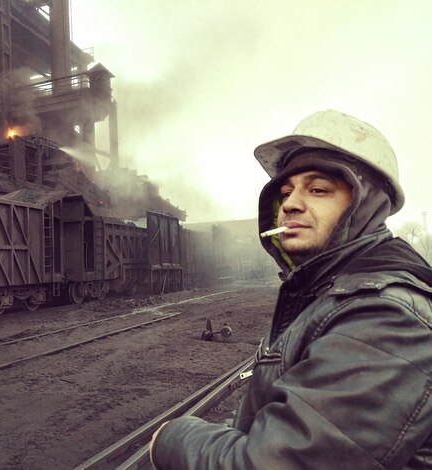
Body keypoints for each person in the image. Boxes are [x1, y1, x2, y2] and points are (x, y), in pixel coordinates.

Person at [149, 109, 432, 469]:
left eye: (318, 190)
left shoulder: (386, 317)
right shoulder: (331, 293)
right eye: (285, 191)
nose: (290, 204)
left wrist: (174, 439)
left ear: (365, 203)